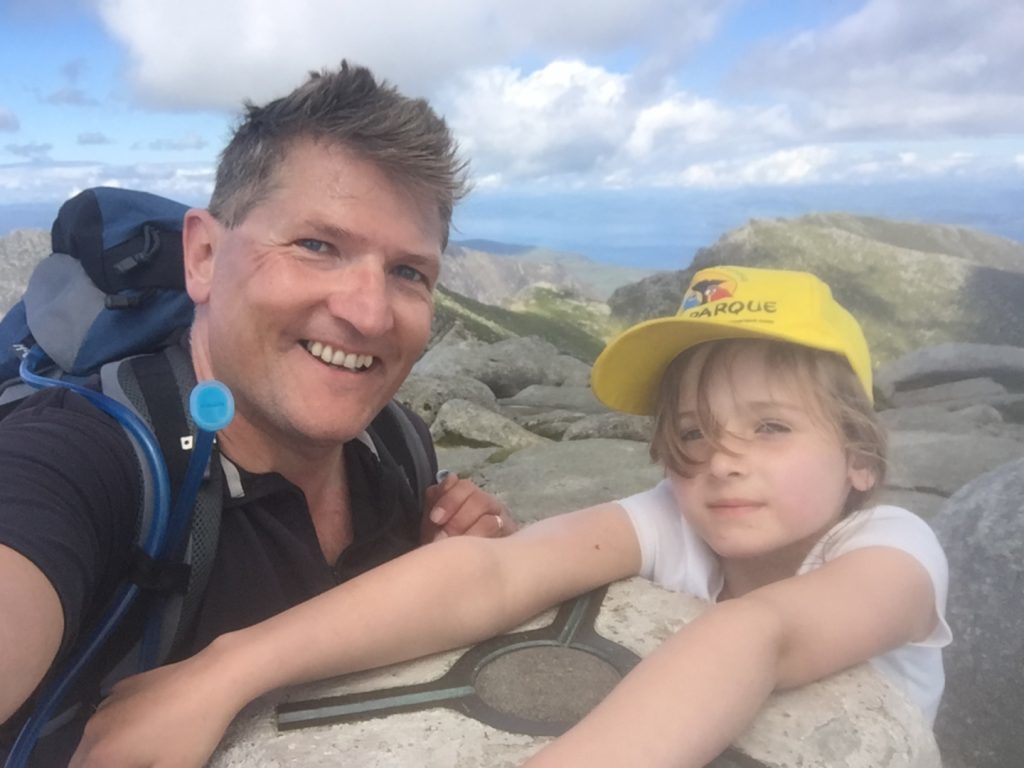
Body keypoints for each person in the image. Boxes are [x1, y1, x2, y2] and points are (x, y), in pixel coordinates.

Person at [69, 264, 950, 768]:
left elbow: (757, 637)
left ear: (861, 457)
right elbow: (493, 570)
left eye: (771, 428)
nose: (722, 459)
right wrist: (224, 671)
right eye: (691, 432)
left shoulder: (891, 550)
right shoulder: (683, 515)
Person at [0, 61, 515, 763]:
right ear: (205, 256)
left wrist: (439, 570)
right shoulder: (90, 459)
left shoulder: (395, 449)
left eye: (408, 273)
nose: (367, 313)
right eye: (316, 245)